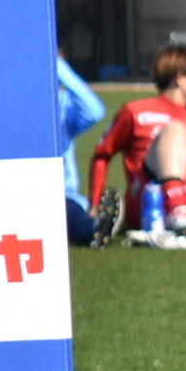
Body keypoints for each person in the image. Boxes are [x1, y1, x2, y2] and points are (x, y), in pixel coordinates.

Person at [86, 43, 186, 250]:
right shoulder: (136, 111)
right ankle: (176, 208)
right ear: (181, 78)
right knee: (176, 130)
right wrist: (94, 205)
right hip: (150, 207)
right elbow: (102, 154)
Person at [55, 56, 108, 245]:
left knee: (69, 212)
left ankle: (95, 230)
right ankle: (95, 228)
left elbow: (94, 112)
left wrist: (54, 63)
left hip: (63, 195)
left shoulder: (59, 102)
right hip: (22, 193)